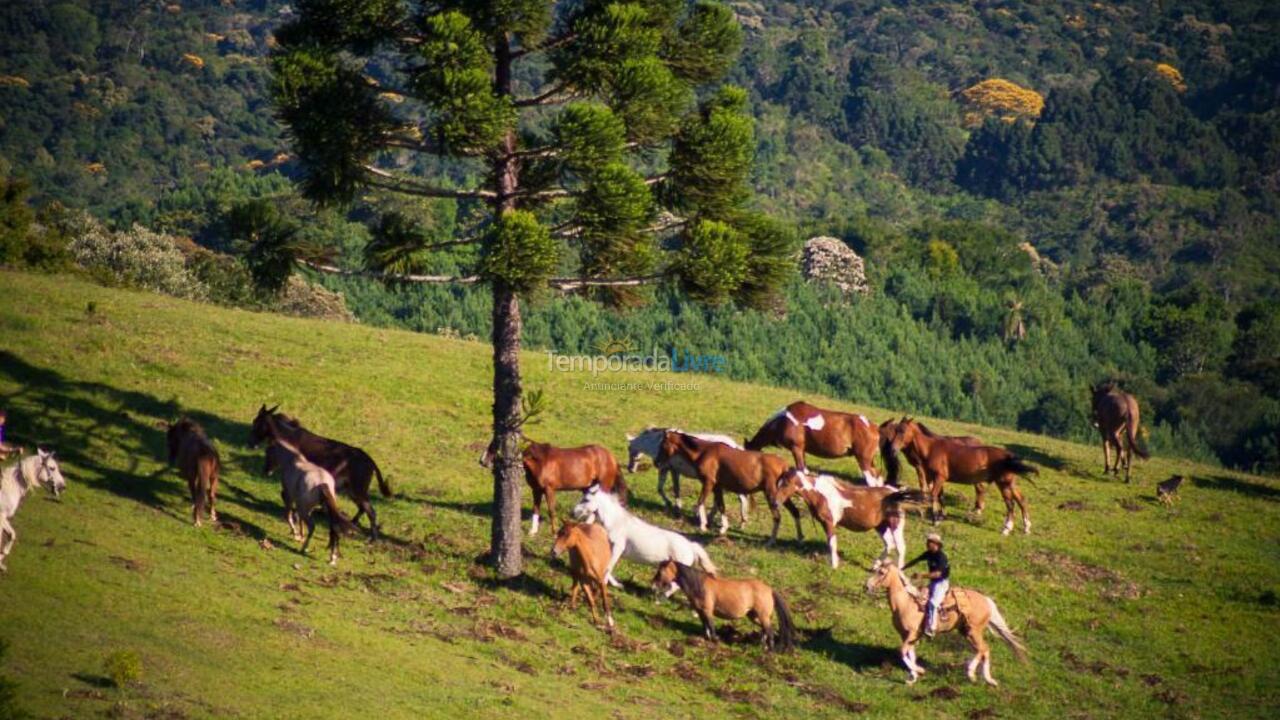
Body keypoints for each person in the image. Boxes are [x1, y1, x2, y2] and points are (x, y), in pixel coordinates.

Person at [903, 532, 950, 638]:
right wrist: (902, 568)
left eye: (930, 542)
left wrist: (922, 575)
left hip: (941, 583)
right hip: (933, 582)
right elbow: (916, 560)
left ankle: (931, 628)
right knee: (919, 598)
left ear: (936, 544)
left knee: (933, 603)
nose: (927, 544)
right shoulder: (928, 553)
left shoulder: (941, 557)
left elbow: (938, 574)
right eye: (927, 541)